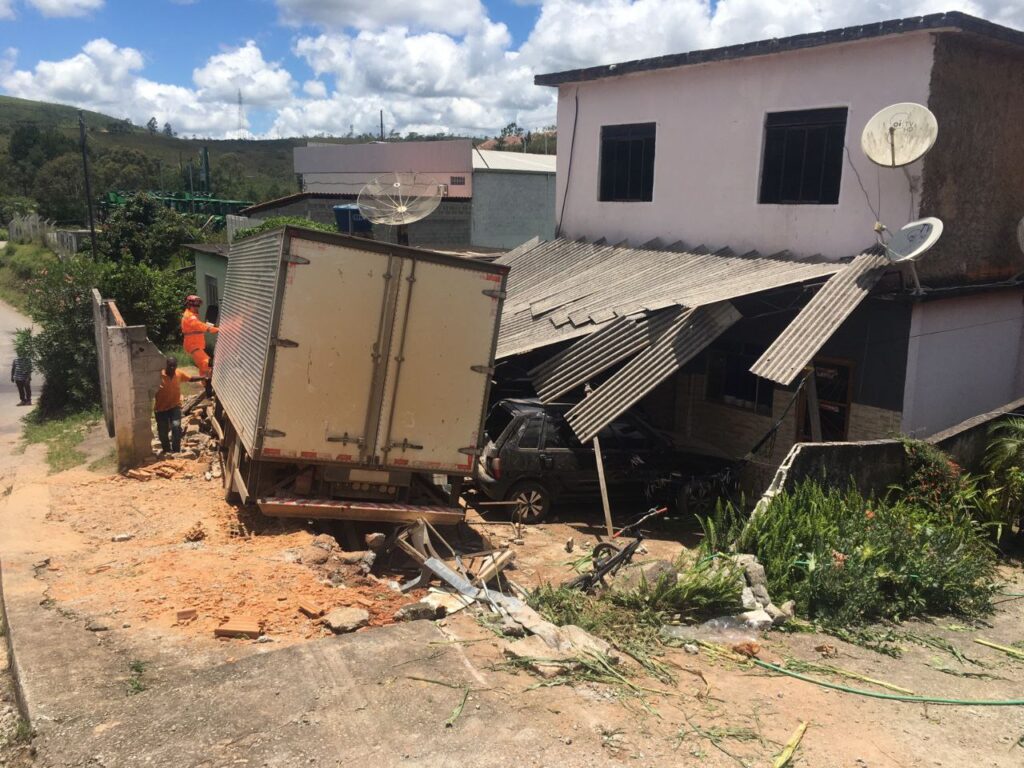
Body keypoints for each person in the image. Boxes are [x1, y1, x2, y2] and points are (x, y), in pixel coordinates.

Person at [154, 357, 201, 454]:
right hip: (161, 409)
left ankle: (176, 451)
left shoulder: (178, 373)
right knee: (163, 432)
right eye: (169, 365)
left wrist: (204, 377)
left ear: (176, 366)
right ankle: (166, 450)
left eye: (174, 366)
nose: (172, 368)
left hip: (174, 407)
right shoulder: (158, 375)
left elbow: (191, 379)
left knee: (176, 426)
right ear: (165, 365)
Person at [181, 295, 218, 379]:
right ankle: (208, 383)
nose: (197, 307)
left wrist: (213, 327)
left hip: (196, 345)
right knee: (206, 363)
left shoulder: (193, 315)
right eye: (195, 305)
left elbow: (199, 327)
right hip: (193, 345)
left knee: (203, 366)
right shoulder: (190, 316)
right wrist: (215, 329)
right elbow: (200, 326)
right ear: (189, 305)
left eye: (198, 305)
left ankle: (205, 385)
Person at [10, 329, 33, 406]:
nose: (19, 352)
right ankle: (23, 400)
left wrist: (28, 377)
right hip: (17, 377)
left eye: (21, 351)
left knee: (27, 389)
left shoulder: (27, 359)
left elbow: (30, 369)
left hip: (25, 377)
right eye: (18, 351)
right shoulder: (15, 359)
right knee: (20, 389)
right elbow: (13, 368)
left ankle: (29, 400)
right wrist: (12, 377)